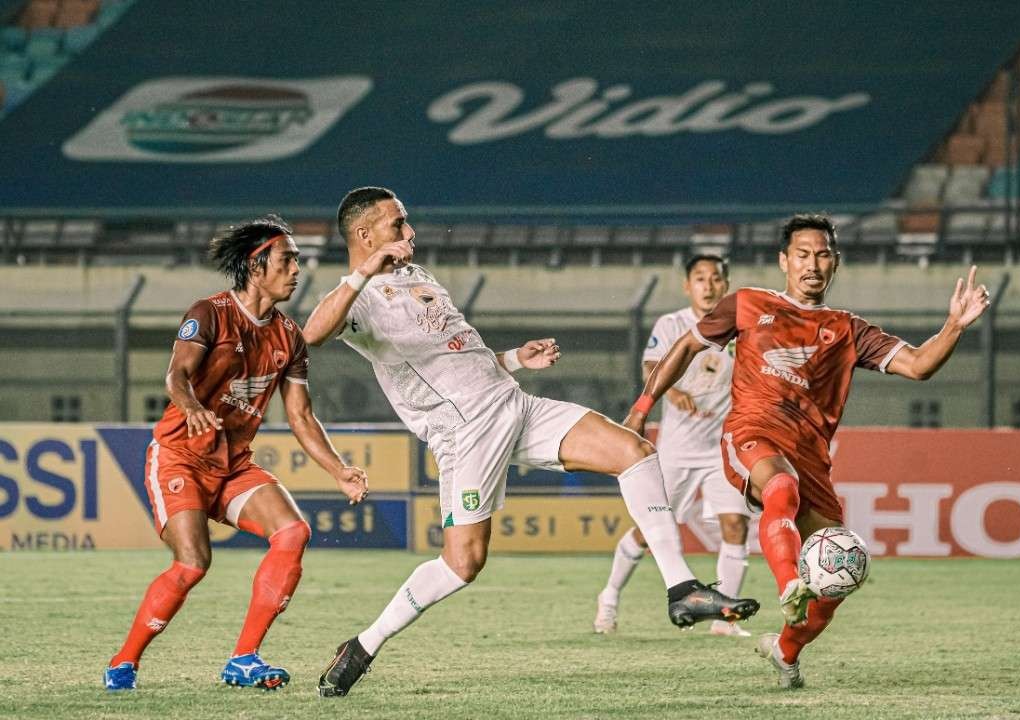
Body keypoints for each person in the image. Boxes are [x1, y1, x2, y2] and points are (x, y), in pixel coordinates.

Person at [302, 187, 761, 698]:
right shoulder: (358, 298)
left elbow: (461, 362)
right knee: (462, 565)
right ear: (364, 236)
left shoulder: (417, 278)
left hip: (513, 404)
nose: (409, 234)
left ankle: (681, 589)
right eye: (397, 226)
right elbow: (312, 334)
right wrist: (365, 271)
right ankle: (362, 647)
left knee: (634, 452)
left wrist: (516, 358)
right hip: (466, 432)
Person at [624, 214, 991, 689]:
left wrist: (954, 326)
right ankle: (788, 585)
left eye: (822, 254)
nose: (812, 264)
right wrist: (640, 409)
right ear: (784, 261)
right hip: (750, 433)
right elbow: (683, 349)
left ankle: (784, 650)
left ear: (834, 263)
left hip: (811, 456)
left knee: (844, 572)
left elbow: (919, 366)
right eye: (802, 254)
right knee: (780, 483)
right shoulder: (748, 304)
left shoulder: (848, 329)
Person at [103, 216, 369, 692]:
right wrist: (191, 408)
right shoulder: (210, 313)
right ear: (255, 264)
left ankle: (243, 658)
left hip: (232, 465)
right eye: (287, 259)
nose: (296, 269)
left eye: (297, 261)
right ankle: (124, 663)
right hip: (179, 455)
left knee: (293, 532)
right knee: (192, 564)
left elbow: (302, 418)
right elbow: (176, 376)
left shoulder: (290, 338)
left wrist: (339, 471)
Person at [594, 254, 755, 638]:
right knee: (649, 531)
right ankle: (610, 596)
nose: (708, 285)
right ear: (688, 286)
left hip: (722, 448)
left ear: (726, 284)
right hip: (678, 449)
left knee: (736, 525)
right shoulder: (672, 324)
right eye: (700, 278)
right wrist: (676, 391)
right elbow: (652, 366)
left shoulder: (741, 328)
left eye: (716, 278)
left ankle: (723, 620)